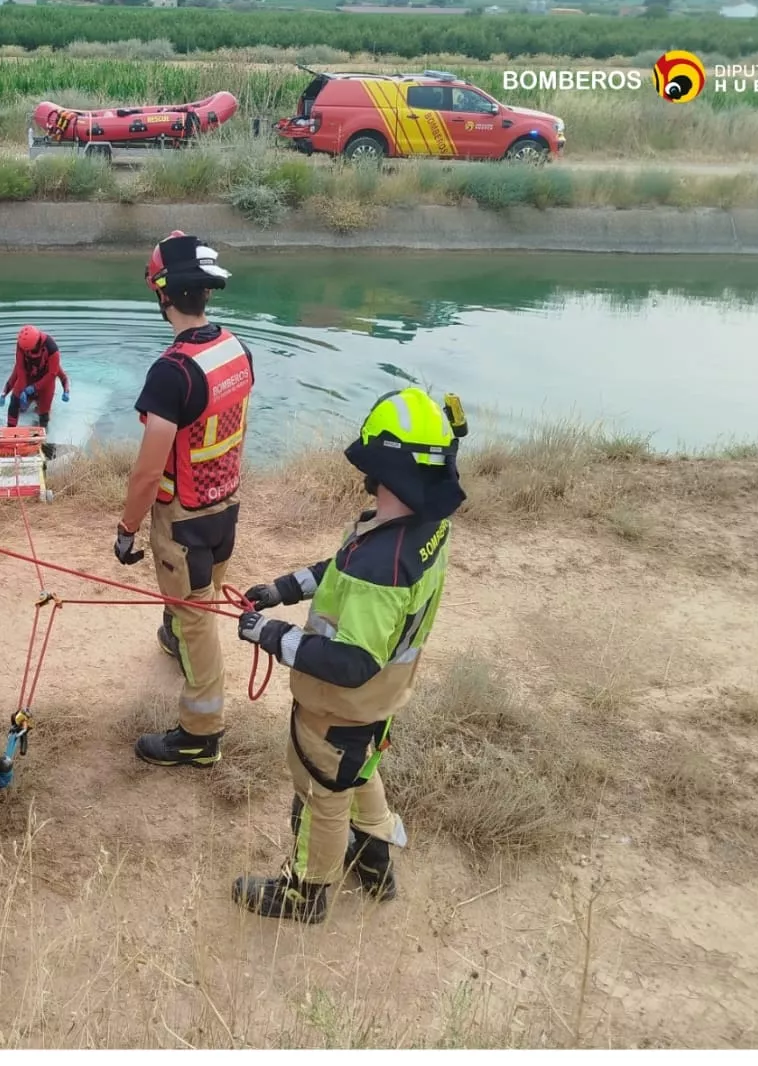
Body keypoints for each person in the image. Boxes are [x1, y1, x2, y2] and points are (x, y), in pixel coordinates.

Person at [230, 387, 468, 924]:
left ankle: (305, 893)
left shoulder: (379, 565)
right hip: (380, 700)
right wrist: (282, 590)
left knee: (323, 793)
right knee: (360, 769)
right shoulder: (422, 528)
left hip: (340, 705)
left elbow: (350, 662)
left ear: (381, 464)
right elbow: (343, 564)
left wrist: (269, 635)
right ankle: (376, 859)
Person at [113, 231, 255, 768]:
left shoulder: (171, 373)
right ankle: (175, 635)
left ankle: (201, 733)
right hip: (225, 509)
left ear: (162, 294)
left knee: (198, 620)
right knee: (200, 596)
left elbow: (149, 471)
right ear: (206, 293)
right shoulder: (236, 349)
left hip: (184, 522)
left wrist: (127, 530)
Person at [0, 325, 70, 437]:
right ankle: (10, 433)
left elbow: (53, 375)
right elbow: (19, 371)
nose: (29, 353)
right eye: (26, 351)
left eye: (30, 350)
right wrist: (13, 392)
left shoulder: (51, 348)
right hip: (28, 380)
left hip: (45, 383)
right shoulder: (21, 345)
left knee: (43, 414)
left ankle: (42, 438)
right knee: (15, 402)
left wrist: (66, 391)